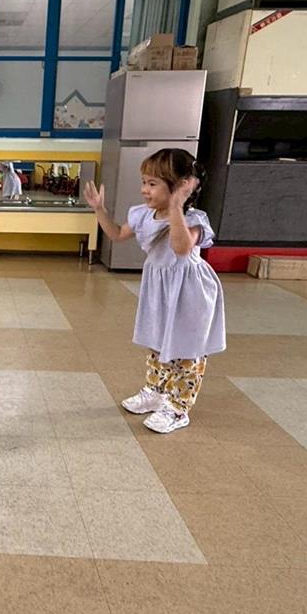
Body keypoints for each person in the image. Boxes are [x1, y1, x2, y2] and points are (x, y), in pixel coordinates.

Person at [83, 148, 225, 434]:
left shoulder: (194, 219)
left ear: (180, 186)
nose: (144, 190)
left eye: (153, 183)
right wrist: (99, 209)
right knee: (157, 342)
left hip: (189, 291)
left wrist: (176, 207)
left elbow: (181, 248)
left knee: (186, 349)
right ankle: (156, 392)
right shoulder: (143, 215)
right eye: (144, 182)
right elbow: (116, 234)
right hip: (159, 289)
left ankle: (178, 408)